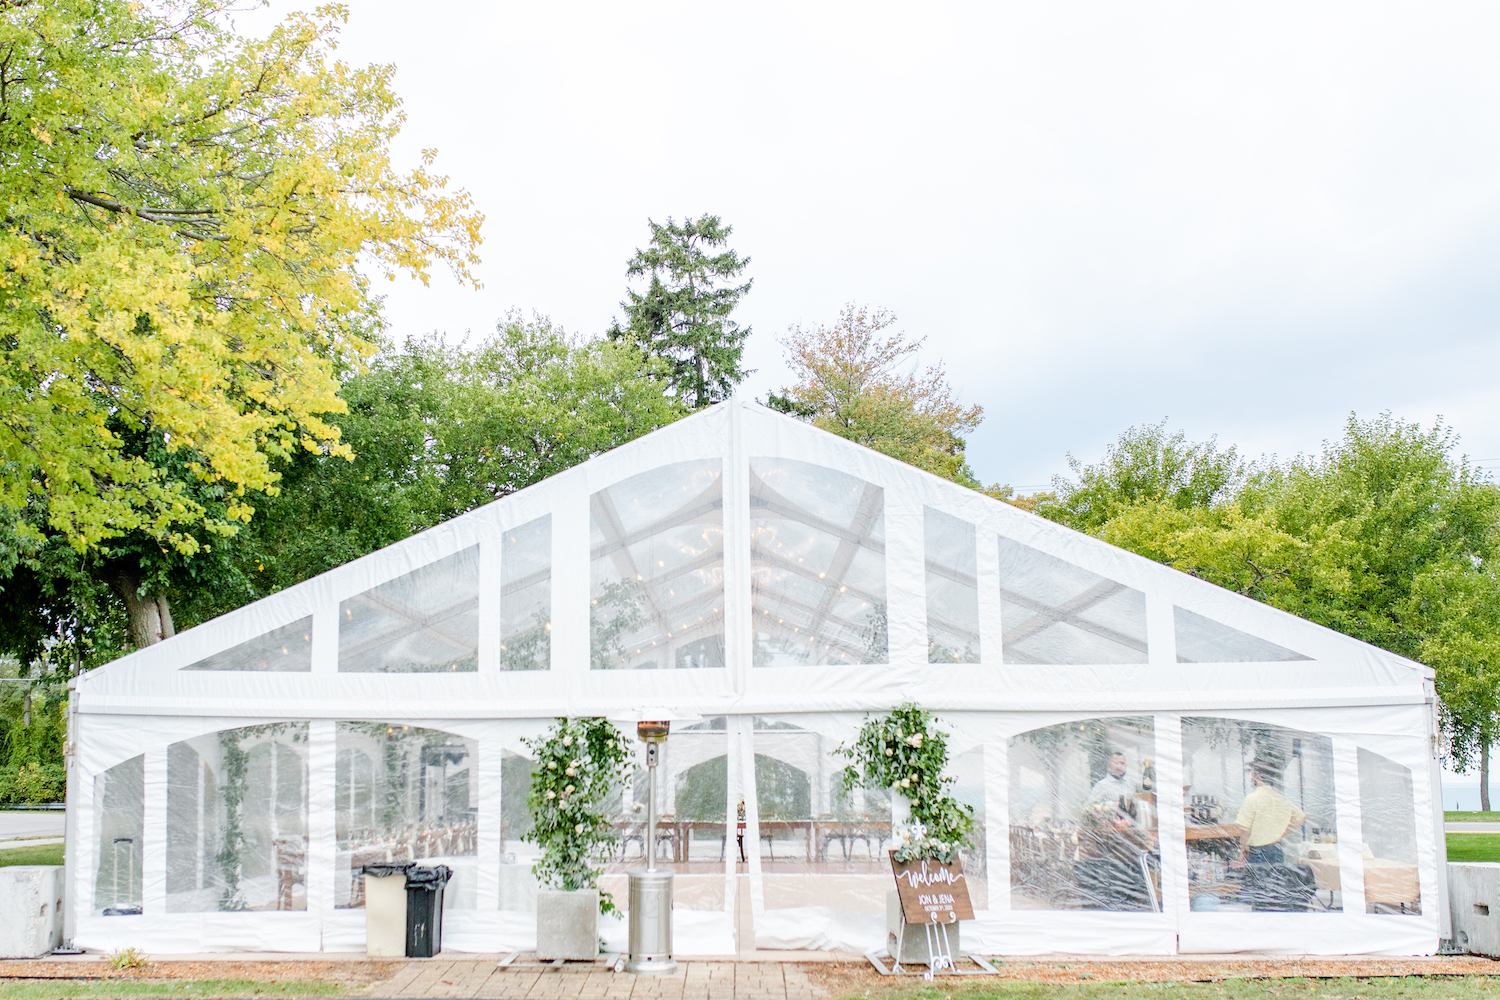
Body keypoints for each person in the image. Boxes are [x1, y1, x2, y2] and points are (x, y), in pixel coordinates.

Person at [1233, 760, 1306, 866]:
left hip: (1257, 852)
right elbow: (1301, 818)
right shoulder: (1281, 799)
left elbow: (1245, 829)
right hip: (1277, 849)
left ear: (1259, 777)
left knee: (1258, 881)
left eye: (1253, 774)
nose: (1251, 778)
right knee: (1276, 881)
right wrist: (1283, 833)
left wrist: (1243, 851)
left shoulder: (1252, 799)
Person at [1087, 750, 1137, 824]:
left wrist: (1150, 767)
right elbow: (1089, 807)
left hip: (1133, 827)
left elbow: (1151, 788)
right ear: (1109, 765)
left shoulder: (1131, 782)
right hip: (1112, 830)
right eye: (1116, 763)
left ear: (1126, 766)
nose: (1119, 766)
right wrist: (1111, 805)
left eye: (1122, 763)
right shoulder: (1102, 785)